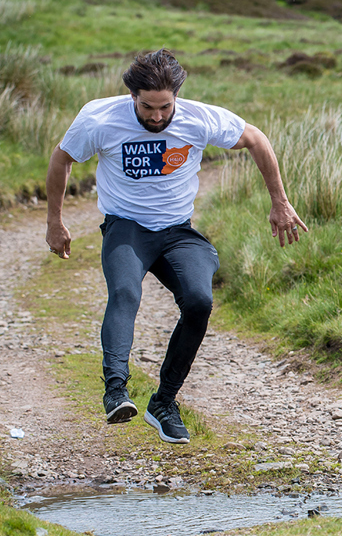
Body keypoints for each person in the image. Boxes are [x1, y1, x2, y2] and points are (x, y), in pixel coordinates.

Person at [45, 49, 307, 444]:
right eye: (147, 107)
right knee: (125, 292)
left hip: (177, 231)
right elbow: (62, 158)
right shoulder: (99, 118)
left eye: (164, 107)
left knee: (200, 301)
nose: (156, 116)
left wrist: (280, 202)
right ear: (132, 96)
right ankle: (116, 391)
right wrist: (54, 220)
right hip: (126, 228)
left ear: (176, 99)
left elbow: (256, 138)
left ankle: (163, 402)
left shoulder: (199, 118)